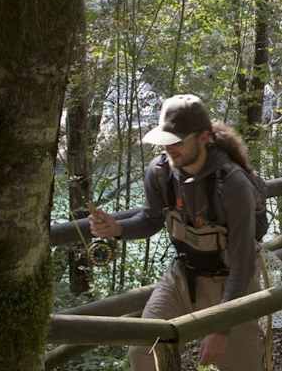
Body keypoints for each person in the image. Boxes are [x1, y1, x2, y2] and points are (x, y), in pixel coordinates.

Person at [89, 94, 264, 371]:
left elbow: (243, 263)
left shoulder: (232, 184)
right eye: (166, 141)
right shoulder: (159, 173)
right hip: (184, 276)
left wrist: (221, 328)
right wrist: (118, 228)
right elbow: (151, 220)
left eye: (178, 142)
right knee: (143, 347)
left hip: (232, 283)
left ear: (204, 137)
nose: (170, 149)